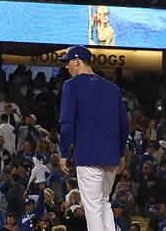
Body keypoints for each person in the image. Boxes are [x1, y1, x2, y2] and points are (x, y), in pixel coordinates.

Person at [59, 46, 129, 231]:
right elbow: (124, 125)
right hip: (111, 157)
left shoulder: (71, 85)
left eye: (68, 62)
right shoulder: (113, 88)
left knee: (92, 207)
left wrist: (64, 151)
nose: (66, 67)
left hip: (88, 156)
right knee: (104, 202)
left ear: (77, 61)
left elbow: (67, 122)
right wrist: (121, 153)